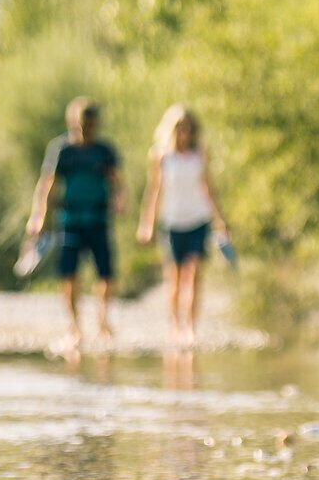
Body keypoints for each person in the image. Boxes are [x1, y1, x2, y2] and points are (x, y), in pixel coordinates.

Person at [24, 97, 122, 356]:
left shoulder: (104, 151)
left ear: (95, 124)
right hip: (70, 221)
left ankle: (103, 319)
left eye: (89, 124)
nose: (84, 129)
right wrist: (38, 217)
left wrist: (119, 201)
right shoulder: (61, 150)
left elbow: (117, 182)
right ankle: (74, 326)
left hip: (99, 219)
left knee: (106, 275)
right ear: (72, 122)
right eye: (80, 124)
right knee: (68, 275)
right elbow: (47, 185)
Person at [137, 104, 226, 349]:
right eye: (179, 127)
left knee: (195, 273)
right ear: (172, 129)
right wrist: (147, 224)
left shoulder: (200, 154)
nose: (184, 132)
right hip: (173, 221)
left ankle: (191, 328)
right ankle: (175, 326)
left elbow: (208, 187)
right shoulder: (161, 155)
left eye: (188, 127)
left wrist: (220, 219)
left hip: (198, 219)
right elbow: (154, 191)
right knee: (174, 278)